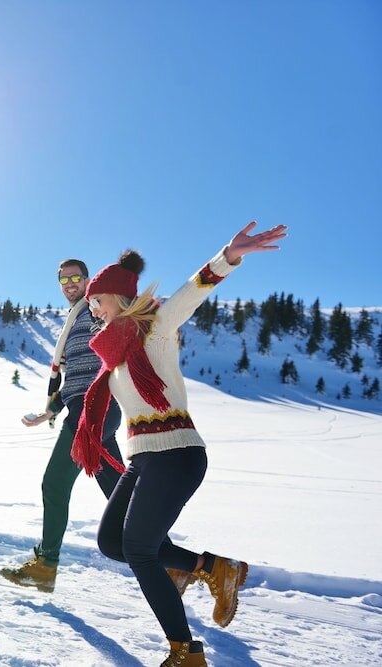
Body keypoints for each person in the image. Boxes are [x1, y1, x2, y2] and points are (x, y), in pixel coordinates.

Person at [73, 222, 287, 666]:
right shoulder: (114, 357)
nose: (93, 308)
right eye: (90, 302)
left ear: (119, 297)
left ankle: (186, 653)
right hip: (143, 461)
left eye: (97, 299)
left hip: (177, 455)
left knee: (140, 550)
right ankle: (214, 568)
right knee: (113, 542)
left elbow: (192, 293)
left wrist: (228, 256)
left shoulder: (155, 328)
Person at [0, 258, 125, 593]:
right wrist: (49, 412)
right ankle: (179, 563)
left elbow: (118, 328)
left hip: (94, 411)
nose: (70, 284)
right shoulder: (73, 321)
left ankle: (46, 564)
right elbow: (73, 382)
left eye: (75, 278)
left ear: (87, 279)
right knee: (121, 495)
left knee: (54, 484)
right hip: (86, 409)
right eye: (63, 279)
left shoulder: (95, 309)